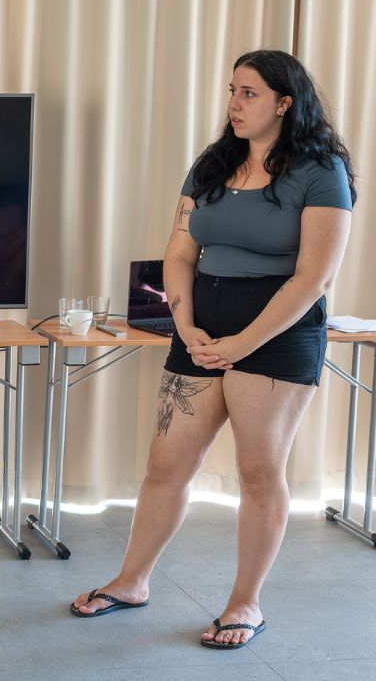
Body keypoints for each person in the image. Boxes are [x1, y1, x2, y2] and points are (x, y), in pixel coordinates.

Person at [70, 50, 355, 648]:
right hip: (200, 328)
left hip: (277, 333)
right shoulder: (212, 164)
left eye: (249, 93)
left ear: (285, 103)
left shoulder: (319, 170)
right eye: (232, 90)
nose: (234, 104)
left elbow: (314, 277)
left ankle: (245, 603)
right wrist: (185, 325)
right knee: (165, 464)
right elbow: (178, 253)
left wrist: (243, 343)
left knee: (258, 471)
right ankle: (131, 581)